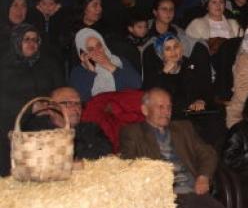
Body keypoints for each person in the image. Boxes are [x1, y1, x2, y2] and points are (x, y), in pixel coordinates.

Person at [120, 88, 233, 208]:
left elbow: (208, 153)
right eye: (160, 107)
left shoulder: (184, 128)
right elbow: (128, 164)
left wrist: (203, 176)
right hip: (160, 198)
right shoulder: (133, 133)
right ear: (145, 110)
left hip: (192, 193)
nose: (166, 111)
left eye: (169, 107)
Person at [0, 24, 66, 176]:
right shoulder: (3, 66)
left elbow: (60, 90)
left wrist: (52, 108)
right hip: (10, 124)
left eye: (35, 40)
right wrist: (31, 108)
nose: (32, 43)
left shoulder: (48, 64)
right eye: (27, 39)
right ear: (17, 41)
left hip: (44, 122)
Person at [23, 86, 112, 161]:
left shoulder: (90, 128)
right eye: (68, 103)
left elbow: (106, 152)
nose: (75, 108)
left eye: (78, 103)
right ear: (51, 108)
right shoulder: (36, 130)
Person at [69, 28, 142, 102]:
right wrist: (90, 72)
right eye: (91, 49)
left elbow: (137, 84)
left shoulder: (119, 61)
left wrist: (109, 65)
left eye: (99, 46)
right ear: (83, 54)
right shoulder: (78, 71)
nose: (97, 51)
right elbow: (81, 99)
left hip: (123, 106)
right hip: (97, 108)